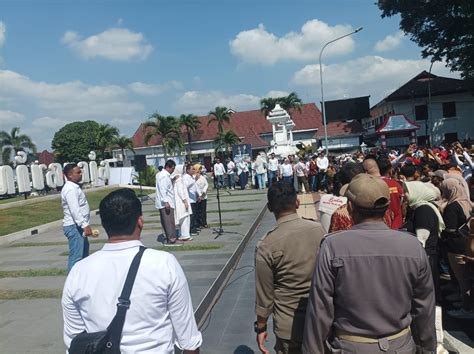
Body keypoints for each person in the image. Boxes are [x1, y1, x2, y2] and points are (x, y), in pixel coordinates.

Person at [303, 174, 436, 354]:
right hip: (401, 345)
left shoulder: (332, 246)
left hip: (350, 347)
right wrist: (427, 349)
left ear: (349, 207)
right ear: (387, 208)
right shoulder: (412, 246)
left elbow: (320, 310)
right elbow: (424, 308)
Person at [62, 188, 202, 353]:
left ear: (104, 224)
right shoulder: (163, 264)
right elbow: (189, 341)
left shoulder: (79, 271)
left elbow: (75, 340)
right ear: (140, 221)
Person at [255, 181, 325, 354]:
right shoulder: (319, 230)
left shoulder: (266, 245)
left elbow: (265, 294)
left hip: (289, 325)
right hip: (320, 318)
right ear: (297, 202)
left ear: (270, 208)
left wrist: (261, 327)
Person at [405, 181, 447, 351]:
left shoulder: (423, 210)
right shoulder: (421, 207)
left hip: (426, 260)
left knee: (428, 300)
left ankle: (435, 342)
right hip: (427, 258)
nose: (404, 195)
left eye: (407, 192)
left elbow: (420, 239)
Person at [61, 163, 93, 272]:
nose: (81, 174)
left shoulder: (74, 187)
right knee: (76, 257)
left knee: (84, 256)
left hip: (78, 226)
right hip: (74, 227)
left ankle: (82, 281)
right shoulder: (70, 189)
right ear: (70, 175)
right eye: (78, 172)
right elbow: (74, 209)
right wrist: (84, 225)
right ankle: (72, 284)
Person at [156, 159, 177, 244]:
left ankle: (168, 237)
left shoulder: (161, 174)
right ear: (168, 167)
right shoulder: (164, 176)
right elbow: (163, 189)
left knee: (166, 221)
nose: (173, 170)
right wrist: (166, 202)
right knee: (169, 222)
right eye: (173, 169)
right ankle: (171, 239)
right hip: (167, 202)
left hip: (166, 201)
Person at [172, 165, 193, 241]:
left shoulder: (177, 178)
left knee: (184, 218)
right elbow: (181, 191)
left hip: (180, 201)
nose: (184, 170)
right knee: (185, 218)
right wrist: (185, 201)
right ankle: (185, 235)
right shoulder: (179, 179)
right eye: (183, 169)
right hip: (182, 202)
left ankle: (183, 234)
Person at [183, 164, 202, 236]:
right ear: (188, 170)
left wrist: (199, 194)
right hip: (189, 199)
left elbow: (196, 187)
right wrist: (194, 181)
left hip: (194, 198)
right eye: (192, 169)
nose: (194, 170)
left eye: (194, 169)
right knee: (192, 215)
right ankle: (191, 229)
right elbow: (186, 186)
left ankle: (194, 226)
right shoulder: (185, 177)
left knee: (195, 214)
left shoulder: (192, 177)